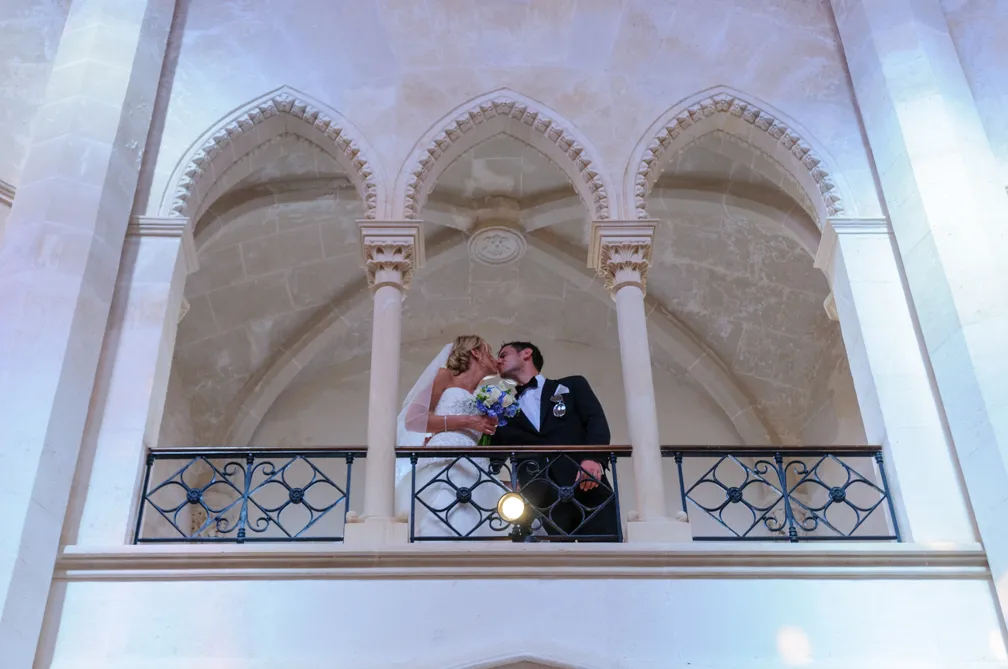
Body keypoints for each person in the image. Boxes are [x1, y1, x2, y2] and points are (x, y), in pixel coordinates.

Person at [491, 341, 620, 541]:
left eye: (503, 354)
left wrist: (593, 459)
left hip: (586, 486)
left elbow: (596, 422)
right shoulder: (504, 410)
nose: (498, 361)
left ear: (526, 353)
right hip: (540, 503)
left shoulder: (572, 385)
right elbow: (493, 459)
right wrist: (505, 484)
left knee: (605, 558)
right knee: (554, 567)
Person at [394, 335, 503, 538]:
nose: (494, 358)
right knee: (440, 511)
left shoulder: (484, 395)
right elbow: (414, 420)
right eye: (489, 352)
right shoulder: (446, 376)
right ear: (475, 352)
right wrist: (469, 421)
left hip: (475, 459)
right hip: (445, 454)